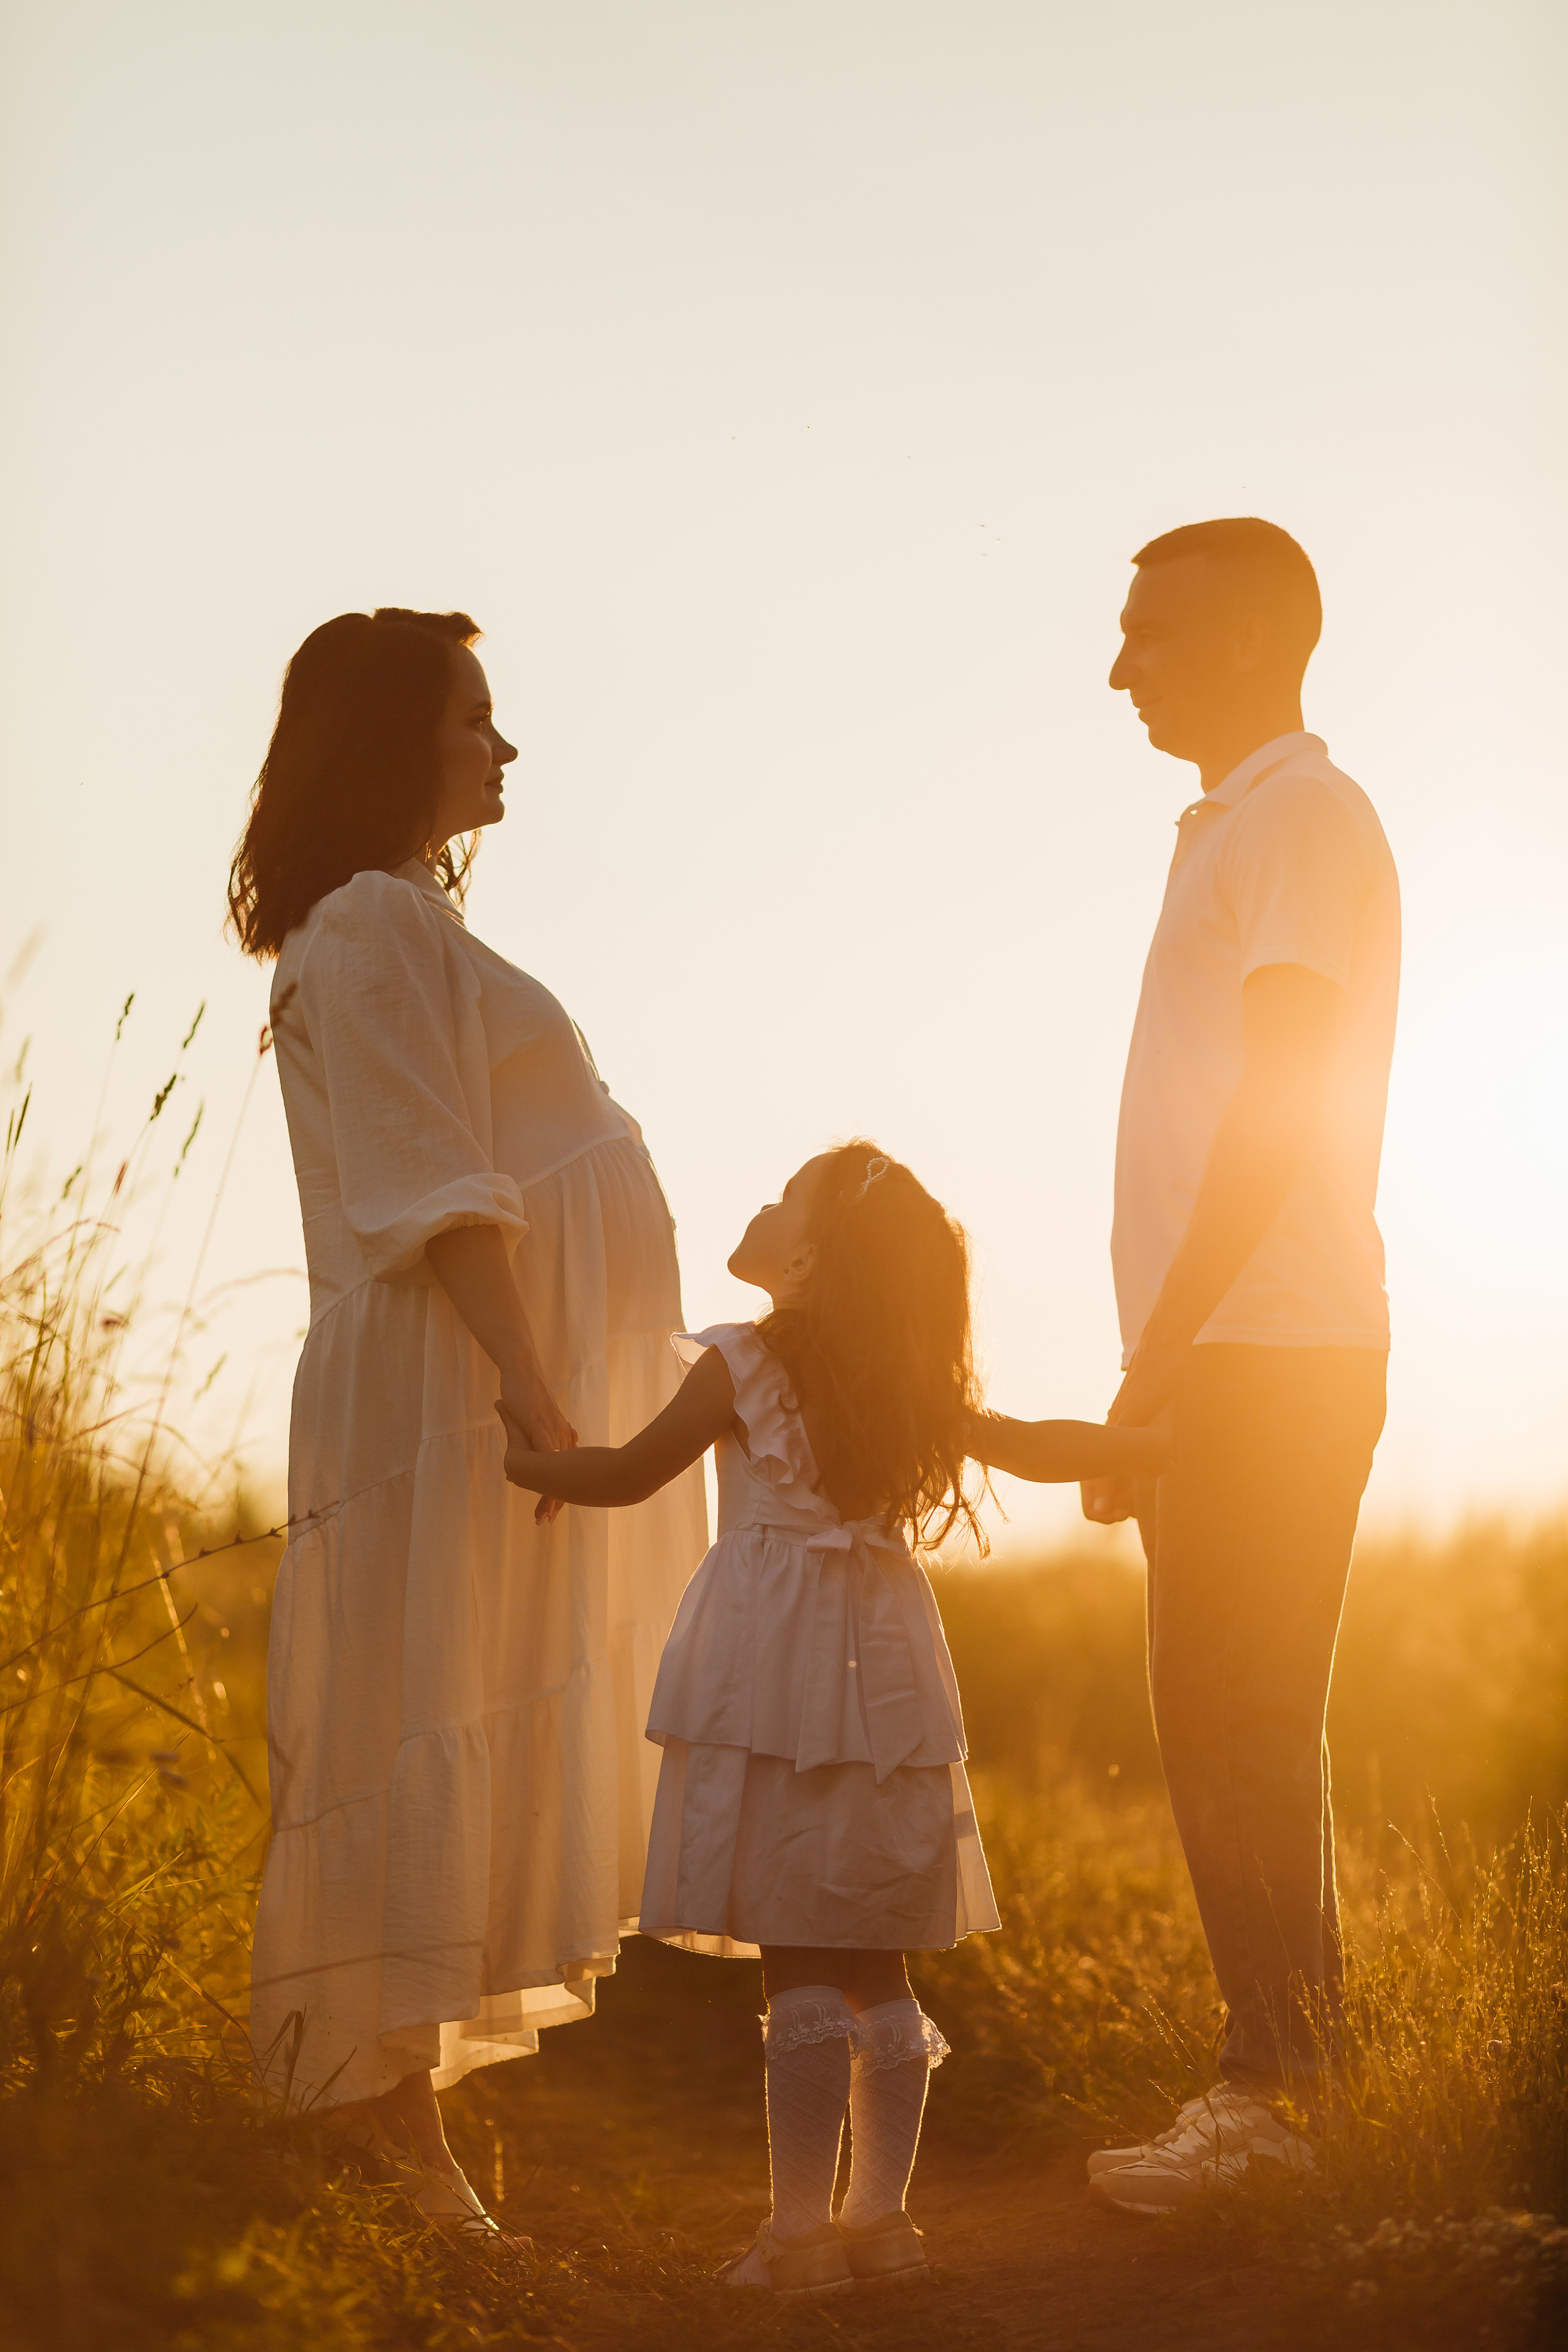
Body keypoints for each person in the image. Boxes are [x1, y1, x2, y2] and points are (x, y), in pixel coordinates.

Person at [230, 608, 706, 2239]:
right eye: (476, 718)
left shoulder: (397, 920)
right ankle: (380, 2130)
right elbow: (440, 1184)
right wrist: (523, 1370)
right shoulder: (368, 922)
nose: (505, 748)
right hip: (445, 1377)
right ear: (390, 741)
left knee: (451, 1693)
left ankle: (389, 2115)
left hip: (461, 1369)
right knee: (409, 1706)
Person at [500, 1141, 1169, 2294]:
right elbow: (1039, 1449)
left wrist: (515, 1461)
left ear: (808, 1257)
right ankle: (884, 2225)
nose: (763, 1203)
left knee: (798, 1946)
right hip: (889, 1667)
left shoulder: (745, 1360)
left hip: (772, 1663)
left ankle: (801, 2236)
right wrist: (1155, 1446)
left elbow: (631, 1470)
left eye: (786, 1195)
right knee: (876, 1947)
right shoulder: (907, 1376)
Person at [1080, 519, 1401, 2213]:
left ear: (1251, 641)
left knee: (1243, 1720)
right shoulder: (1237, 826)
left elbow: (1281, 1107)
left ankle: (1280, 2107)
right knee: (1220, 1719)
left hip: (1265, 1351)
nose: (1120, 665)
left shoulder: (1298, 819)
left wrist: (1157, 1364)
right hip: (1239, 1350)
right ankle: (1278, 2089)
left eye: (1150, 632)